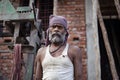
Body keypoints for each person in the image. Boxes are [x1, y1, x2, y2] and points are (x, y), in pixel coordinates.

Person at [35, 15, 82, 80]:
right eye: (53, 27)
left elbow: (78, 76)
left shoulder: (74, 51)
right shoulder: (41, 52)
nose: (56, 29)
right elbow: (37, 77)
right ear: (49, 30)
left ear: (65, 32)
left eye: (60, 27)